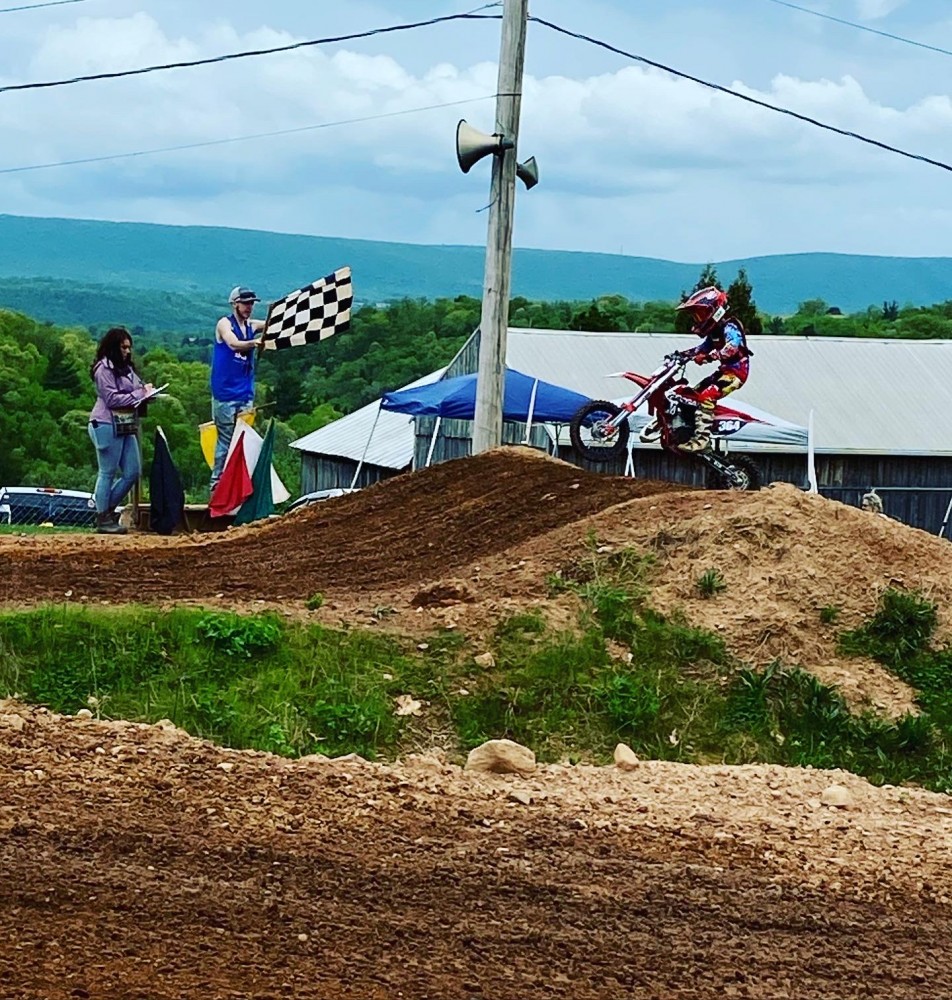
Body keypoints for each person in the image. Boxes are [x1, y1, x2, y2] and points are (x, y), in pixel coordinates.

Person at [670, 285, 752, 453]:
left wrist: (709, 357)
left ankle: (702, 440)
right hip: (723, 372)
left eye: (700, 314)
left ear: (714, 310)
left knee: (707, 396)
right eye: (696, 315)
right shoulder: (714, 332)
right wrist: (682, 355)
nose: (698, 319)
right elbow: (702, 348)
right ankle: (686, 429)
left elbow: (732, 347)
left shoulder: (730, 327)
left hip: (736, 375)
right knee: (691, 395)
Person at [88, 327, 153, 535]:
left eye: (129, 347)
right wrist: (139, 395)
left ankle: (106, 510)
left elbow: (137, 388)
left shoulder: (126, 368)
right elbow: (112, 399)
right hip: (106, 422)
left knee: (133, 471)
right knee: (107, 471)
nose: (127, 351)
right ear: (113, 347)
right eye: (123, 347)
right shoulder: (103, 369)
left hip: (125, 423)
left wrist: (146, 392)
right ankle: (103, 516)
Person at [210, 286, 265, 492]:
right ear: (235, 304)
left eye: (251, 303)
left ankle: (239, 486)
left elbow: (273, 325)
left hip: (245, 393)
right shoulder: (225, 323)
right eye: (245, 303)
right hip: (225, 394)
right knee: (226, 442)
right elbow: (233, 343)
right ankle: (217, 487)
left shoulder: (252, 325)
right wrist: (254, 343)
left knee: (244, 441)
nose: (249, 307)